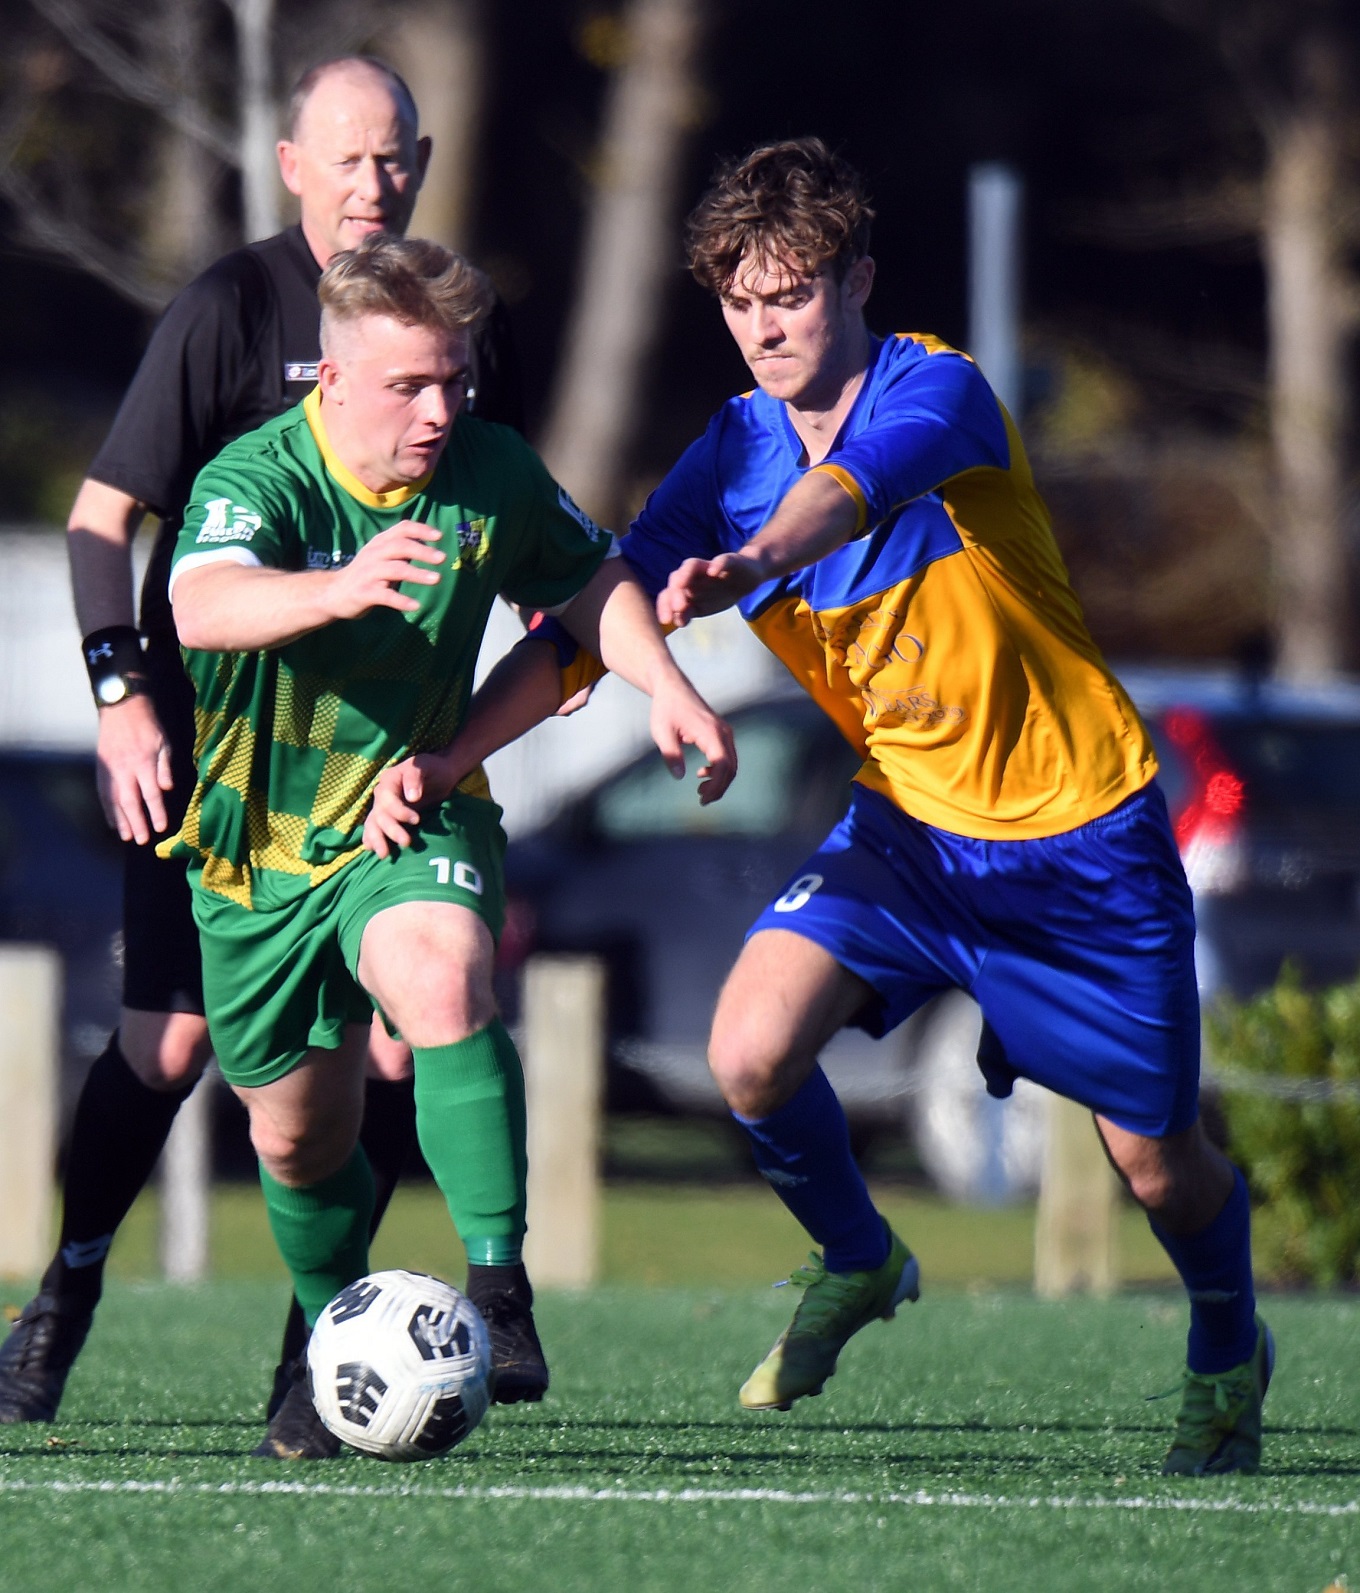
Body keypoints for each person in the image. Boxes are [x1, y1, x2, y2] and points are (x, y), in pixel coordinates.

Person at [410, 138, 1272, 1478]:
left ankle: (1228, 1337)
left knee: (1155, 1164)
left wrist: (746, 561)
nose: (764, 328)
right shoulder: (727, 450)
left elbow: (846, 492)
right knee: (748, 1049)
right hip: (912, 831)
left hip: (1084, 840)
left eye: (793, 296)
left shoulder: (943, 392)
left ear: (858, 280)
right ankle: (863, 1258)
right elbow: (590, 614)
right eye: (741, 303)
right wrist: (454, 753)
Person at [0, 56, 522, 1450]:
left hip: (379, 770)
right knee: (167, 1044)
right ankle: (67, 1287)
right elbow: (107, 517)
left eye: (395, 159)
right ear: (291, 165)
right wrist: (121, 694)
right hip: (216, 759)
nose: (373, 185)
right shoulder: (229, 308)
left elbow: (495, 514)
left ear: (423, 159)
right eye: (345, 161)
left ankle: (322, 1339)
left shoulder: (453, 318)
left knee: (406, 1043)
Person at [163, 232, 734, 1456]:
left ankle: (499, 1292)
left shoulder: (491, 471)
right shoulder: (259, 477)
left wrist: (665, 685)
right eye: (409, 385)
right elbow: (201, 603)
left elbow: (590, 590)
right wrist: (336, 587)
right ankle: (336, 1348)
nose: (439, 410)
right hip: (255, 861)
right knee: (294, 1142)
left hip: (412, 805)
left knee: (440, 977)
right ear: (330, 378)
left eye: (455, 380)